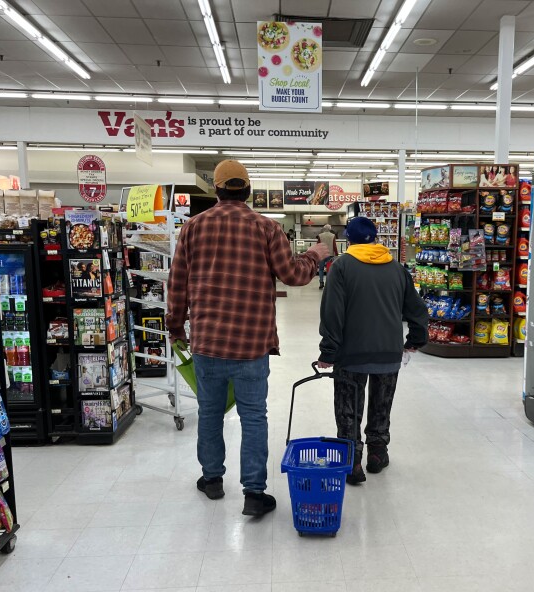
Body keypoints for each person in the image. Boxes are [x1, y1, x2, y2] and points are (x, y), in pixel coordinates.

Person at [166, 159, 330, 516]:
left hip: (208, 343)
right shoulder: (266, 227)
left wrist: (175, 327)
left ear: (218, 190)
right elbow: (293, 275)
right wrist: (315, 255)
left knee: (209, 412)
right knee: (254, 416)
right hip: (252, 343)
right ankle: (254, 492)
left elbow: (177, 285)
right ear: (250, 191)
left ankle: (211, 479)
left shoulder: (193, 228)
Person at [317, 216, 429, 484]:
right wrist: (415, 339)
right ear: (376, 237)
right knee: (382, 405)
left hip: (350, 354)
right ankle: (377, 454)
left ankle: (352, 461)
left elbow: (332, 313)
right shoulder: (396, 268)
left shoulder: (341, 266)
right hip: (389, 354)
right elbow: (417, 309)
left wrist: (328, 352)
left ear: (348, 239)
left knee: (348, 409)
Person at [316, 224, 338, 289]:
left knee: (321, 269)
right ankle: (328, 283)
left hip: (322, 255)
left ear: (324, 229)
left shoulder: (320, 235)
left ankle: (321, 282)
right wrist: (336, 254)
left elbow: (318, 245)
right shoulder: (333, 235)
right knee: (329, 269)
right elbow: (334, 245)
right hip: (330, 255)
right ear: (330, 229)